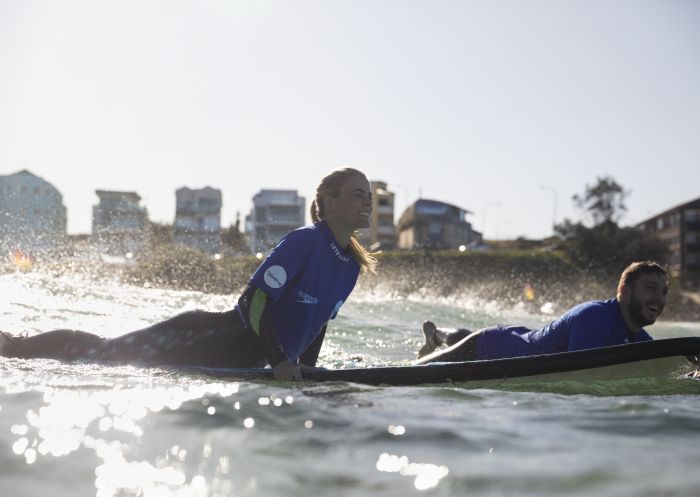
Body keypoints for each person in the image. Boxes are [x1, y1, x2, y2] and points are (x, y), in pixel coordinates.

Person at [0, 167, 376, 380]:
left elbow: (317, 323)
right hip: (204, 337)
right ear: (329, 201)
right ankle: (13, 346)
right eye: (358, 193)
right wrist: (279, 361)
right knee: (102, 353)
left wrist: (306, 374)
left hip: (242, 362)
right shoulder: (305, 241)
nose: (368, 200)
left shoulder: (350, 266)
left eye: (369, 195)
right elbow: (254, 300)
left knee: (105, 355)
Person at [415, 261, 668, 364]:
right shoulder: (594, 317)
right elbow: (579, 376)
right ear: (624, 290)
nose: (660, 298)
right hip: (492, 345)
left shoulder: (639, 339)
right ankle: (436, 337)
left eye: (664, 291)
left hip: (514, 338)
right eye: (651, 288)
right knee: (417, 370)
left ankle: (436, 335)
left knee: (461, 338)